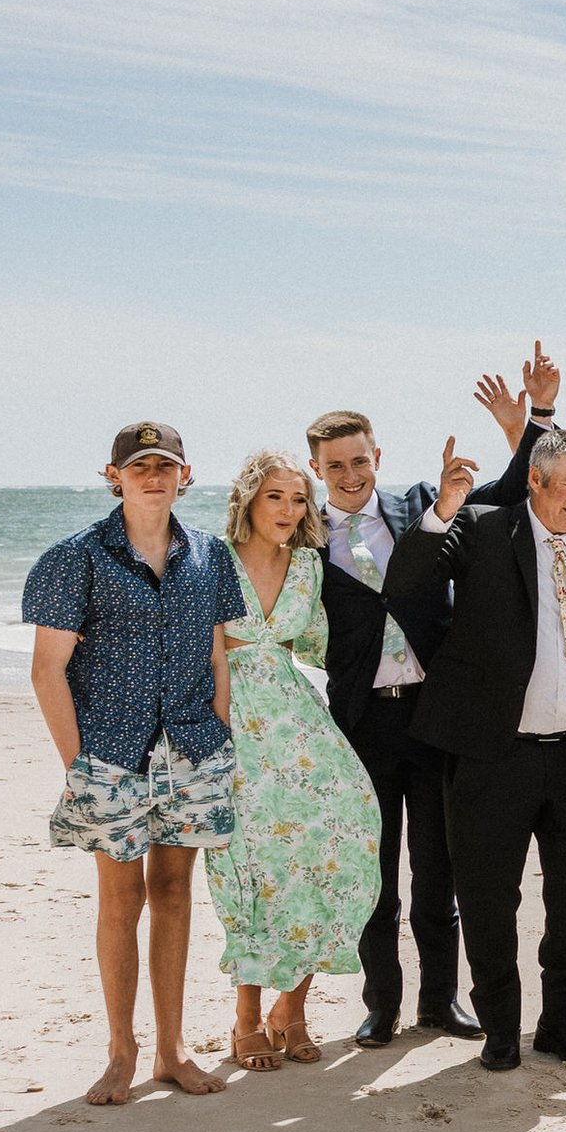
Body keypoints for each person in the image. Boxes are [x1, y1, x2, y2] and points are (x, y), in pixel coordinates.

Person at [383, 428, 566, 1071]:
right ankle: (501, 1030)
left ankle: (560, 1025)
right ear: (535, 480)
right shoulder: (484, 530)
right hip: (491, 755)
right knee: (489, 899)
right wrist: (443, 509)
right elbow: (406, 586)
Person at [309, 386, 545, 1050]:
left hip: (434, 715)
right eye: (336, 467)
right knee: (375, 878)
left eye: (360, 461)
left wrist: (531, 425)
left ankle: (439, 1001)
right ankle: (381, 1005)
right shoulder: (304, 537)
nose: (351, 476)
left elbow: (504, 493)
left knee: (440, 871)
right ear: (318, 473)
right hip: (360, 724)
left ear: (376, 454)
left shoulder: (421, 503)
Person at [24, 422, 242, 1104]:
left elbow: (217, 659)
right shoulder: (76, 557)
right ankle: (122, 1050)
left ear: (186, 474)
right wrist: (79, 765)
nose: (153, 475)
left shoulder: (211, 555)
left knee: (175, 893)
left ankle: (172, 1049)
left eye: (165, 465)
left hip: (192, 747)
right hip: (110, 753)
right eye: (139, 465)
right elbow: (47, 670)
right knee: (123, 896)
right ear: (113, 475)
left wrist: (221, 743)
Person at [210, 451, 383, 1070]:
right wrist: (215, 737)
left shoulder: (309, 566)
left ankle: (294, 1007)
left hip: (298, 719)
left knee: (344, 838)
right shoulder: (212, 561)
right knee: (255, 868)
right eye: (275, 498)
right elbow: (204, 655)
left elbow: (326, 644)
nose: (288, 510)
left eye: (298, 499)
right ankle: (246, 1020)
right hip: (233, 721)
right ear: (249, 502)